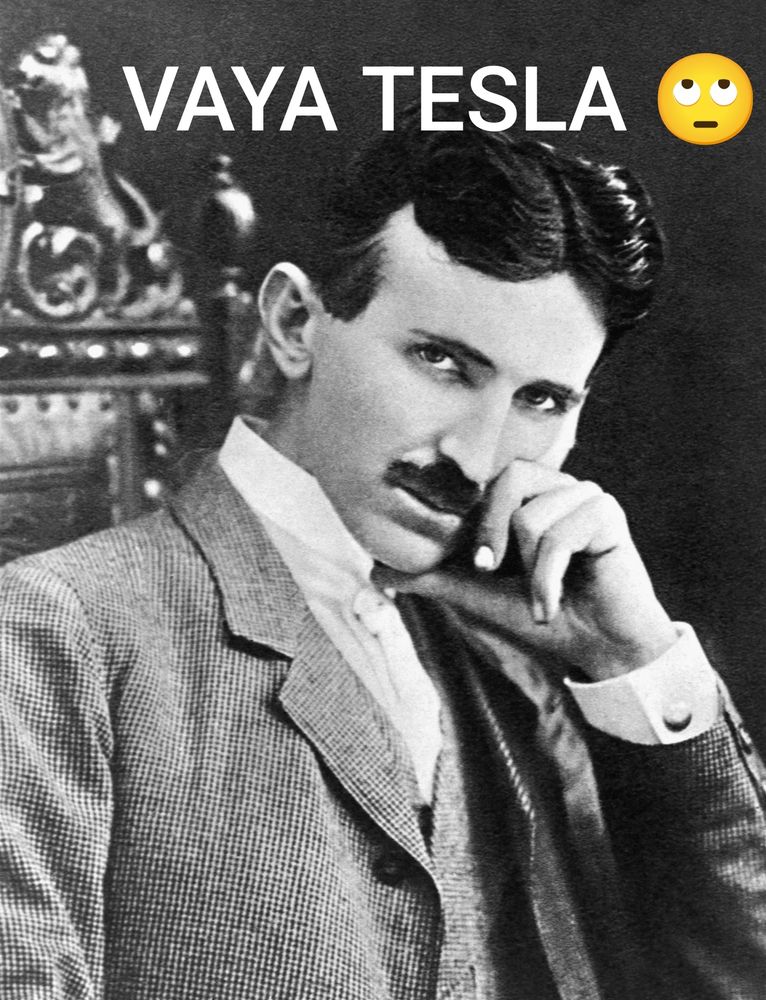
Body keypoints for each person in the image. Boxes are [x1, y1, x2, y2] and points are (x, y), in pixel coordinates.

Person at [1, 102, 765, 1000]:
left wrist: (633, 660)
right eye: (443, 362)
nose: (476, 458)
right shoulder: (58, 628)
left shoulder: (537, 644)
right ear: (294, 323)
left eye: (542, 400)